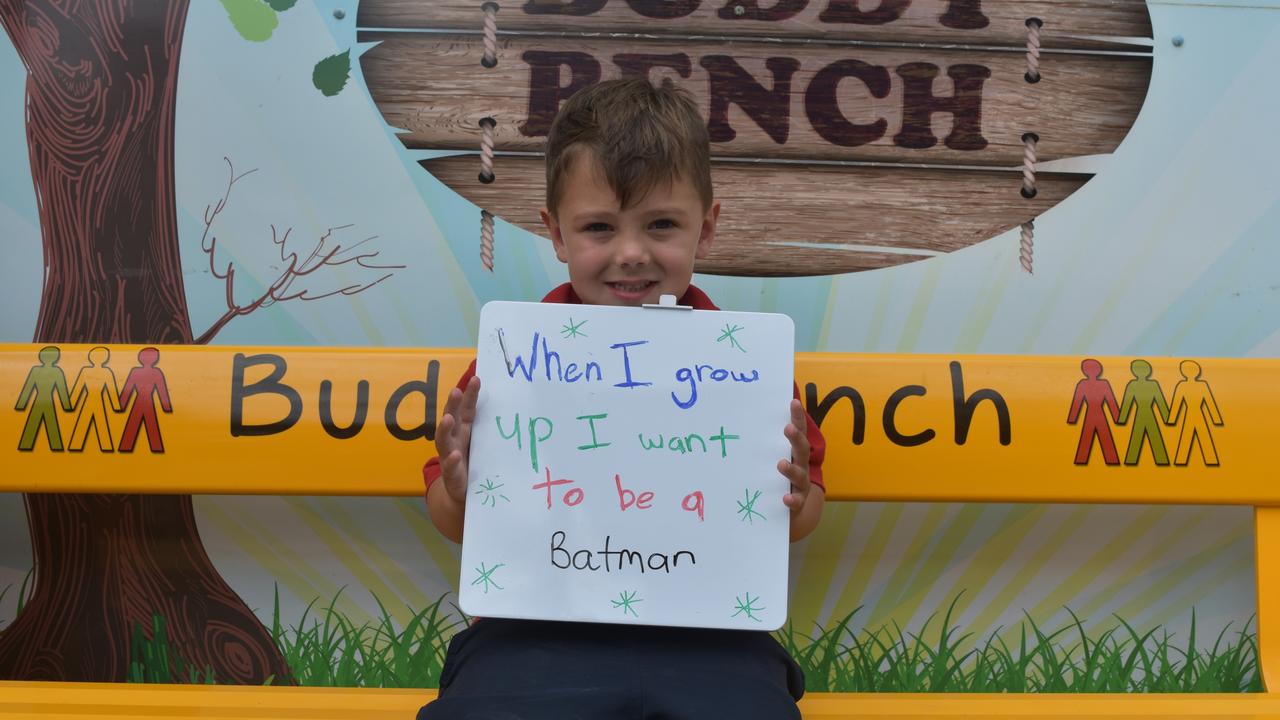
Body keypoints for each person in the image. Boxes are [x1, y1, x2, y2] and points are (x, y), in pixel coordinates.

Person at [418, 78, 826, 719]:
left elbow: (800, 523)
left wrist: (796, 497)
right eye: (599, 228)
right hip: (532, 632)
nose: (631, 254)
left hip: (711, 637)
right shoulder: (509, 360)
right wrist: (463, 489)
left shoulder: (745, 365)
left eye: (661, 224)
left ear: (707, 227)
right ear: (556, 234)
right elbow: (451, 520)